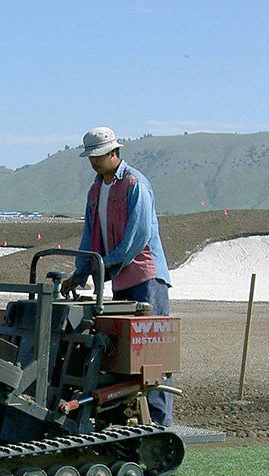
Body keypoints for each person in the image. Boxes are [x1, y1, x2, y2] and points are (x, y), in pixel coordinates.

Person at [60, 126, 174, 426]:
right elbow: (90, 235)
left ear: (114, 153)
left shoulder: (135, 184)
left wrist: (103, 267)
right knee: (122, 356)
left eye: (98, 156)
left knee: (152, 357)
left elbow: (138, 238)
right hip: (119, 279)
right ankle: (128, 422)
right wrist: (82, 272)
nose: (94, 162)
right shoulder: (96, 191)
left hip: (145, 278)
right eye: (91, 157)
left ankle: (160, 426)